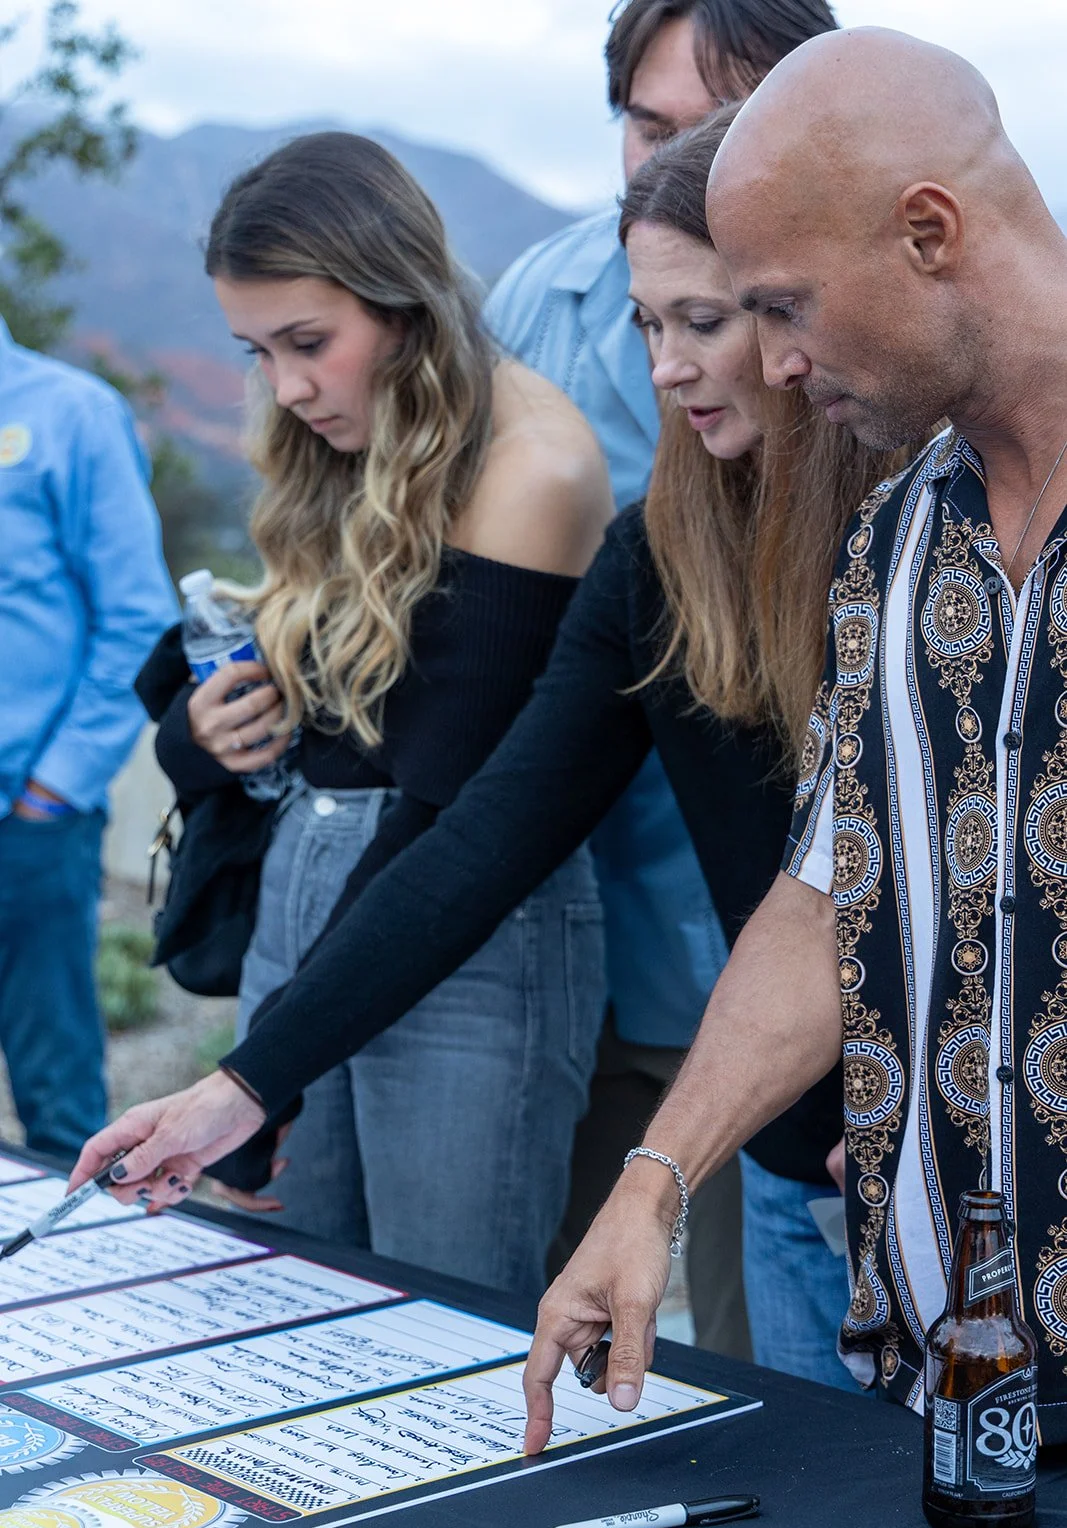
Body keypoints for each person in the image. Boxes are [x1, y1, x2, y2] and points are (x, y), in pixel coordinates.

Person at [70, 113, 906, 1390]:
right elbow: (489, 831)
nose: (666, 367)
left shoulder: (925, 536)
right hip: (796, 1150)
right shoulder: (654, 556)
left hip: (937, 1153)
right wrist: (239, 1085)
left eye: (705, 320)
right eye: (645, 325)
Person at [519, 25, 1067, 1451]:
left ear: (927, 230)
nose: (767, 359)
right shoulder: (891, 533)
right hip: (939, 1372)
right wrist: (653, 1180)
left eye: (781, 303)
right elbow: (832, 883)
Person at [132, 131, 614, 1297]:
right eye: (257, 353)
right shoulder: (340, 432)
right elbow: (281, 714)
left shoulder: (531, 463)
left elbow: (437, 806)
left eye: (309, 343)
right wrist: (197, 738)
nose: (288, 389)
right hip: (310, 886)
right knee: (289, 1298)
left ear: (403, 304)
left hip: (463, 926)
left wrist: (257, 1073)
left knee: (444, 1319)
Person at [487, 0, 838, 1361]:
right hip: (619, 930)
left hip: (821, 1048)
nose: (669, 365)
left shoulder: (920, 469)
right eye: (646, 127)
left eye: (724, 130)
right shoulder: (534, 313)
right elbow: (520, 743)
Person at [0, 321, 176, 1161]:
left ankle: (64, 1287)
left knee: (56, 1098)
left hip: (26, 818)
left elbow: (140, 619)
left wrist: (52, 790)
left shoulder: (70, 414)